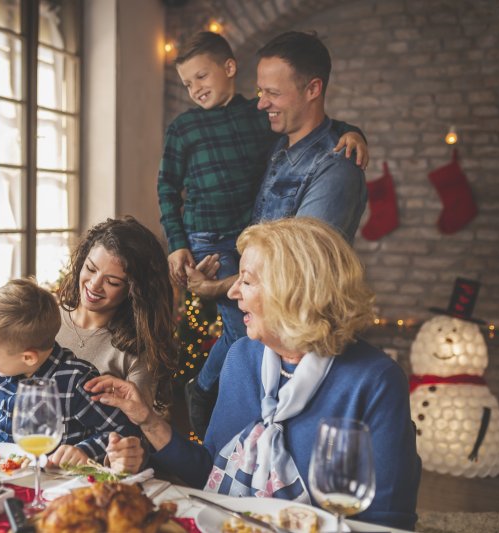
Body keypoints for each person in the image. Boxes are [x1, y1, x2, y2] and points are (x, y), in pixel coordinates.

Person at [87, 218, 421, 530]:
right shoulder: (244, 357)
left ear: (291, 292)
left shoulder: (375, 380)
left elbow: (389, 521)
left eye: (245, 281)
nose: (232, 293)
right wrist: (147, 418)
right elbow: (211, 474)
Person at [180, 31, 370, 436]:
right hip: (260, 336)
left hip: (295, 343)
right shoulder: (276, 144)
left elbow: (295, 272)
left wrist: (215, 290)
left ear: (313, 88)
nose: (262, 103)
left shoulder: (336, 166)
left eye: (273, 93)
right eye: (259, 91)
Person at [0, 278, 140, 466]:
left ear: (28, 357)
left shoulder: (76, 382)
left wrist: (84, 450)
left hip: (56, 479)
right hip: (0, 471)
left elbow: (120, 432)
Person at [55, 216, 178, 412]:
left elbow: (138, 426)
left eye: (112, 282)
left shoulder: (137, 350)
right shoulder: (45, 318)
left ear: (135, 291)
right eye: (90, 268)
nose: (94, 285)